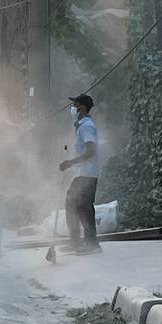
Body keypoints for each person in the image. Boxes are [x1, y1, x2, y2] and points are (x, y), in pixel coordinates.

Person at [60, 93, 101, 255]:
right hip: (82, 173)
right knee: (73, 204)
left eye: (75, 105)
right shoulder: (81, 126)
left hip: (87, 173)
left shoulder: (86, 126)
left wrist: (71, 163)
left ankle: (92, 244)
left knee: (83, 207)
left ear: (82, 107)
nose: (73, 108)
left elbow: (91, 150)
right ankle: (76, 242)